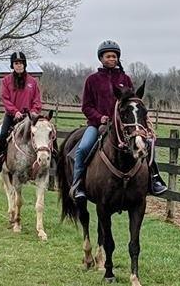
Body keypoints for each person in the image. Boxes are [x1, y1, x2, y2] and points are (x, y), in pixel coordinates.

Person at [69, 40, 168, 200]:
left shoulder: (125, 79)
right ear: (101, 58)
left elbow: (131, 103)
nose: (111, 59)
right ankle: (78, 184)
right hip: (98, 125)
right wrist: (99, 117)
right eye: (108, 56)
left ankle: (154, 179)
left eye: (114, 56)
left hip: (123, 126)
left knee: (148, 143)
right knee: (83, 148)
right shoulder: (92, 80)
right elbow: (86, 106)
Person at [0, 52, 42, 173]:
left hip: (29, 117)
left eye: (21, 63)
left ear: (25, 64)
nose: (19, 65)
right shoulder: (6, 81)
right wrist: (15, 112)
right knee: (2, 136)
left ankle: (49, 159)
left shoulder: (32, 82)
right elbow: (5, 99)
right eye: (16, 63)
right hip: (12, 116)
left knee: (44, 133)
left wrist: (33, 112)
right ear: (12, 65)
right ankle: (0, 160)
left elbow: (37, 100)